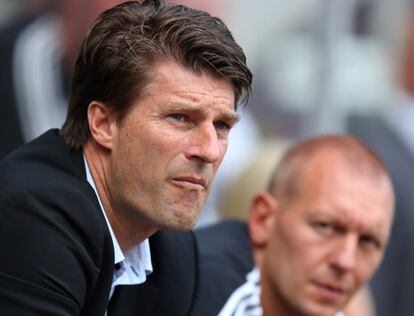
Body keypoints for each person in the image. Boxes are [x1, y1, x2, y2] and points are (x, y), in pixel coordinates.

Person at [0, 1, 252, 315]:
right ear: (103, 124)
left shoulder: (170, 249)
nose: (210, 150)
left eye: (222, 125)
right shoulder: (31, 215)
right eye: (180, 117)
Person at [193, 135, 394, 316]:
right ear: (264, 219)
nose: (346, 261)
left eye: (368, 241)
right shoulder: (190, 288)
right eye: (326, 227)